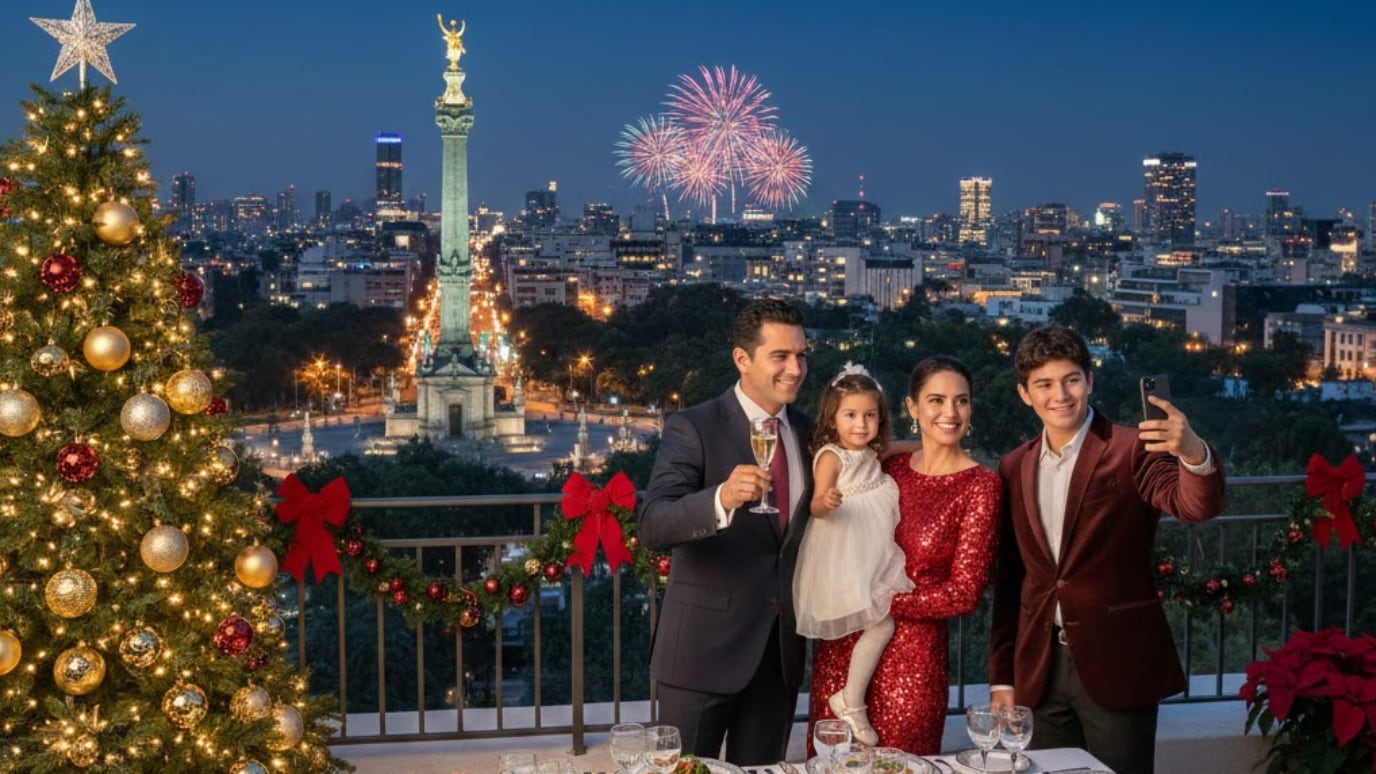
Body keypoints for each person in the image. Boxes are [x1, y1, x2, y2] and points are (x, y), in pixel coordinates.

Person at [989, 325, 1226, 774]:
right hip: (1039, 671)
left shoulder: (1132, 448)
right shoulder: (1013, 465)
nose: (1060, 394)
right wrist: (1002, 676)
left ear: (1090, 380)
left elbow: (1194, 505)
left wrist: (1192, 452)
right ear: (1025, 394)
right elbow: (1013, 579)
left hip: (1117, 664)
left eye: (1071, 379)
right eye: (1044, 384)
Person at [639, 298, 813, 766]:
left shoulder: (809, 433)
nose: (795, 368)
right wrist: (720, 500)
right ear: (742, 359)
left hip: (779, 658)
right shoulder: (692, 426)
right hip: (700, 653)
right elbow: (653, 522)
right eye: (781, 356)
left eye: (801, 355)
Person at [808, 356, 1001, 754]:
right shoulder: (889, 466)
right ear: (912, 407)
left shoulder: (981, 485)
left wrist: (884, 601)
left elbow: (963, 594)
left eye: (961, 401)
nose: (950, 412)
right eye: (936, 400)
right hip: (843, 651)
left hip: (912, 665)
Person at [793, 363, 915, 745]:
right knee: (882, 623)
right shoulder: (832, 456)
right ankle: (851, 700)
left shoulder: (871, 453)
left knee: (882, 621)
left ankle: (850, 697)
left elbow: (906, 446)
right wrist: (826, 501)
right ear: (833, 417)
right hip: (843, 552)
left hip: (871, 551)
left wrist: (935, 444)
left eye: (869, 415)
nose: (861, 424)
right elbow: (815, 505)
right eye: (851, 415)